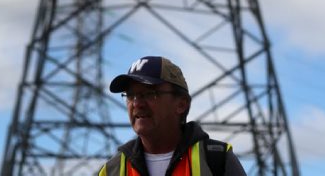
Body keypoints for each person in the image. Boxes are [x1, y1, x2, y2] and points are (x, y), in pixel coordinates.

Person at [98, 55, 247, 176]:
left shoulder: (216, 160)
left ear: (181, 104)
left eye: (150, 94)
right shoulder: (112, 170)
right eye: (130, 96)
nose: (137, 104)